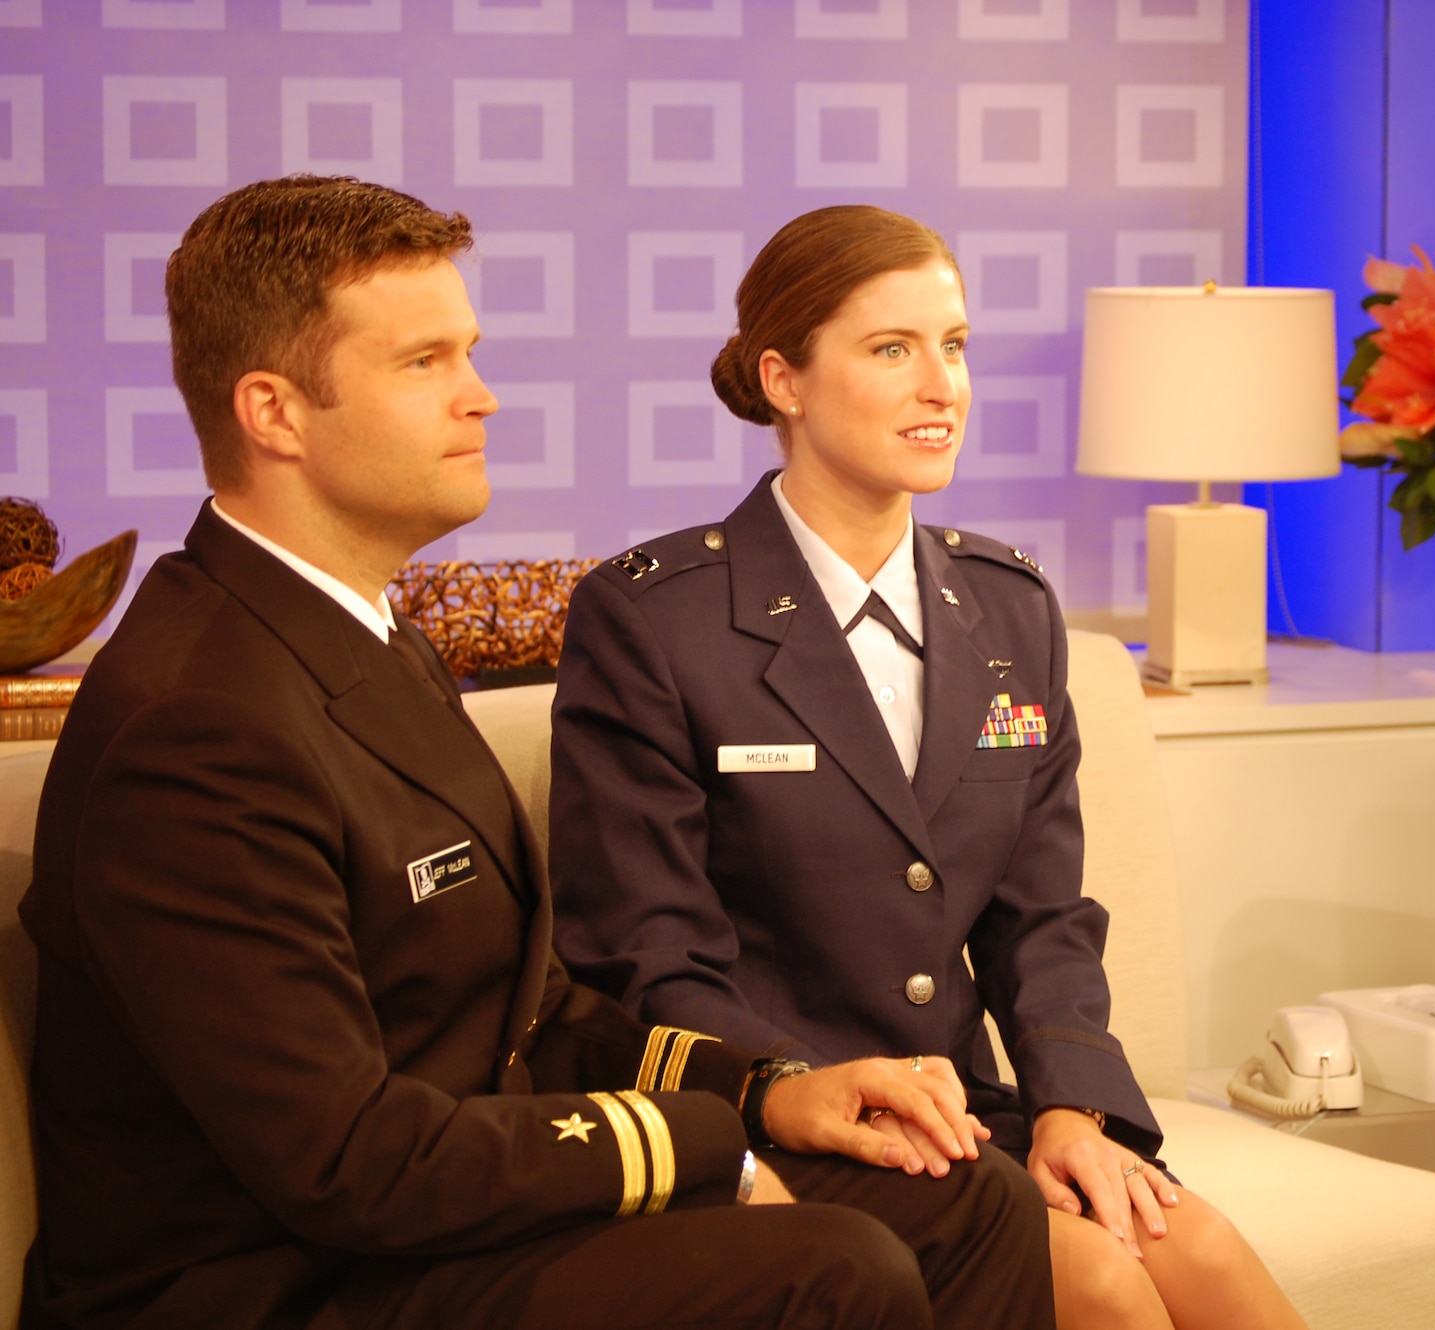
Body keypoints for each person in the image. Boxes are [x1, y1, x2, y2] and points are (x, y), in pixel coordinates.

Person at [19, 177, 1058, 1330]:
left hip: (437, 1214)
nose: (481, 396)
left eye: (468, 354)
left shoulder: (365, 636)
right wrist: (707, 1145)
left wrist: (771, 1090)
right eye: (425, 363)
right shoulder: (198, 724)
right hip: (279, 1281)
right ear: (275, 412)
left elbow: (539, 1011)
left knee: (971, 1203)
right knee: (835, 1269)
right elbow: (347, 1158)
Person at [547, 205, 1308, 1330]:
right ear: (783, 380)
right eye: (890, 348)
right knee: (1099, 1281)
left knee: (1185, 1240)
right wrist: (793, 1086)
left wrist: (1071, 1112)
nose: (941, 385)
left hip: (967, 1111)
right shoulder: (654, 620)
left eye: (952, 346)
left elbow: (1040, 918)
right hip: (786, 1112)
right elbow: (646, 956)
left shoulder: (1010, 609)